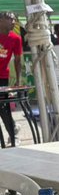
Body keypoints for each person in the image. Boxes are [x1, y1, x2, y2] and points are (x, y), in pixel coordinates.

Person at [0, 12, 23, 147]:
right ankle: (13, 127)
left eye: (14, 19)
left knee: (4, 108)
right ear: (1, 20)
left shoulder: (16, 39)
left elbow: (18, 61)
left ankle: (13, 136)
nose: (13, 22)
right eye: (10, 19)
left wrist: (19, 82)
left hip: (3, 78)